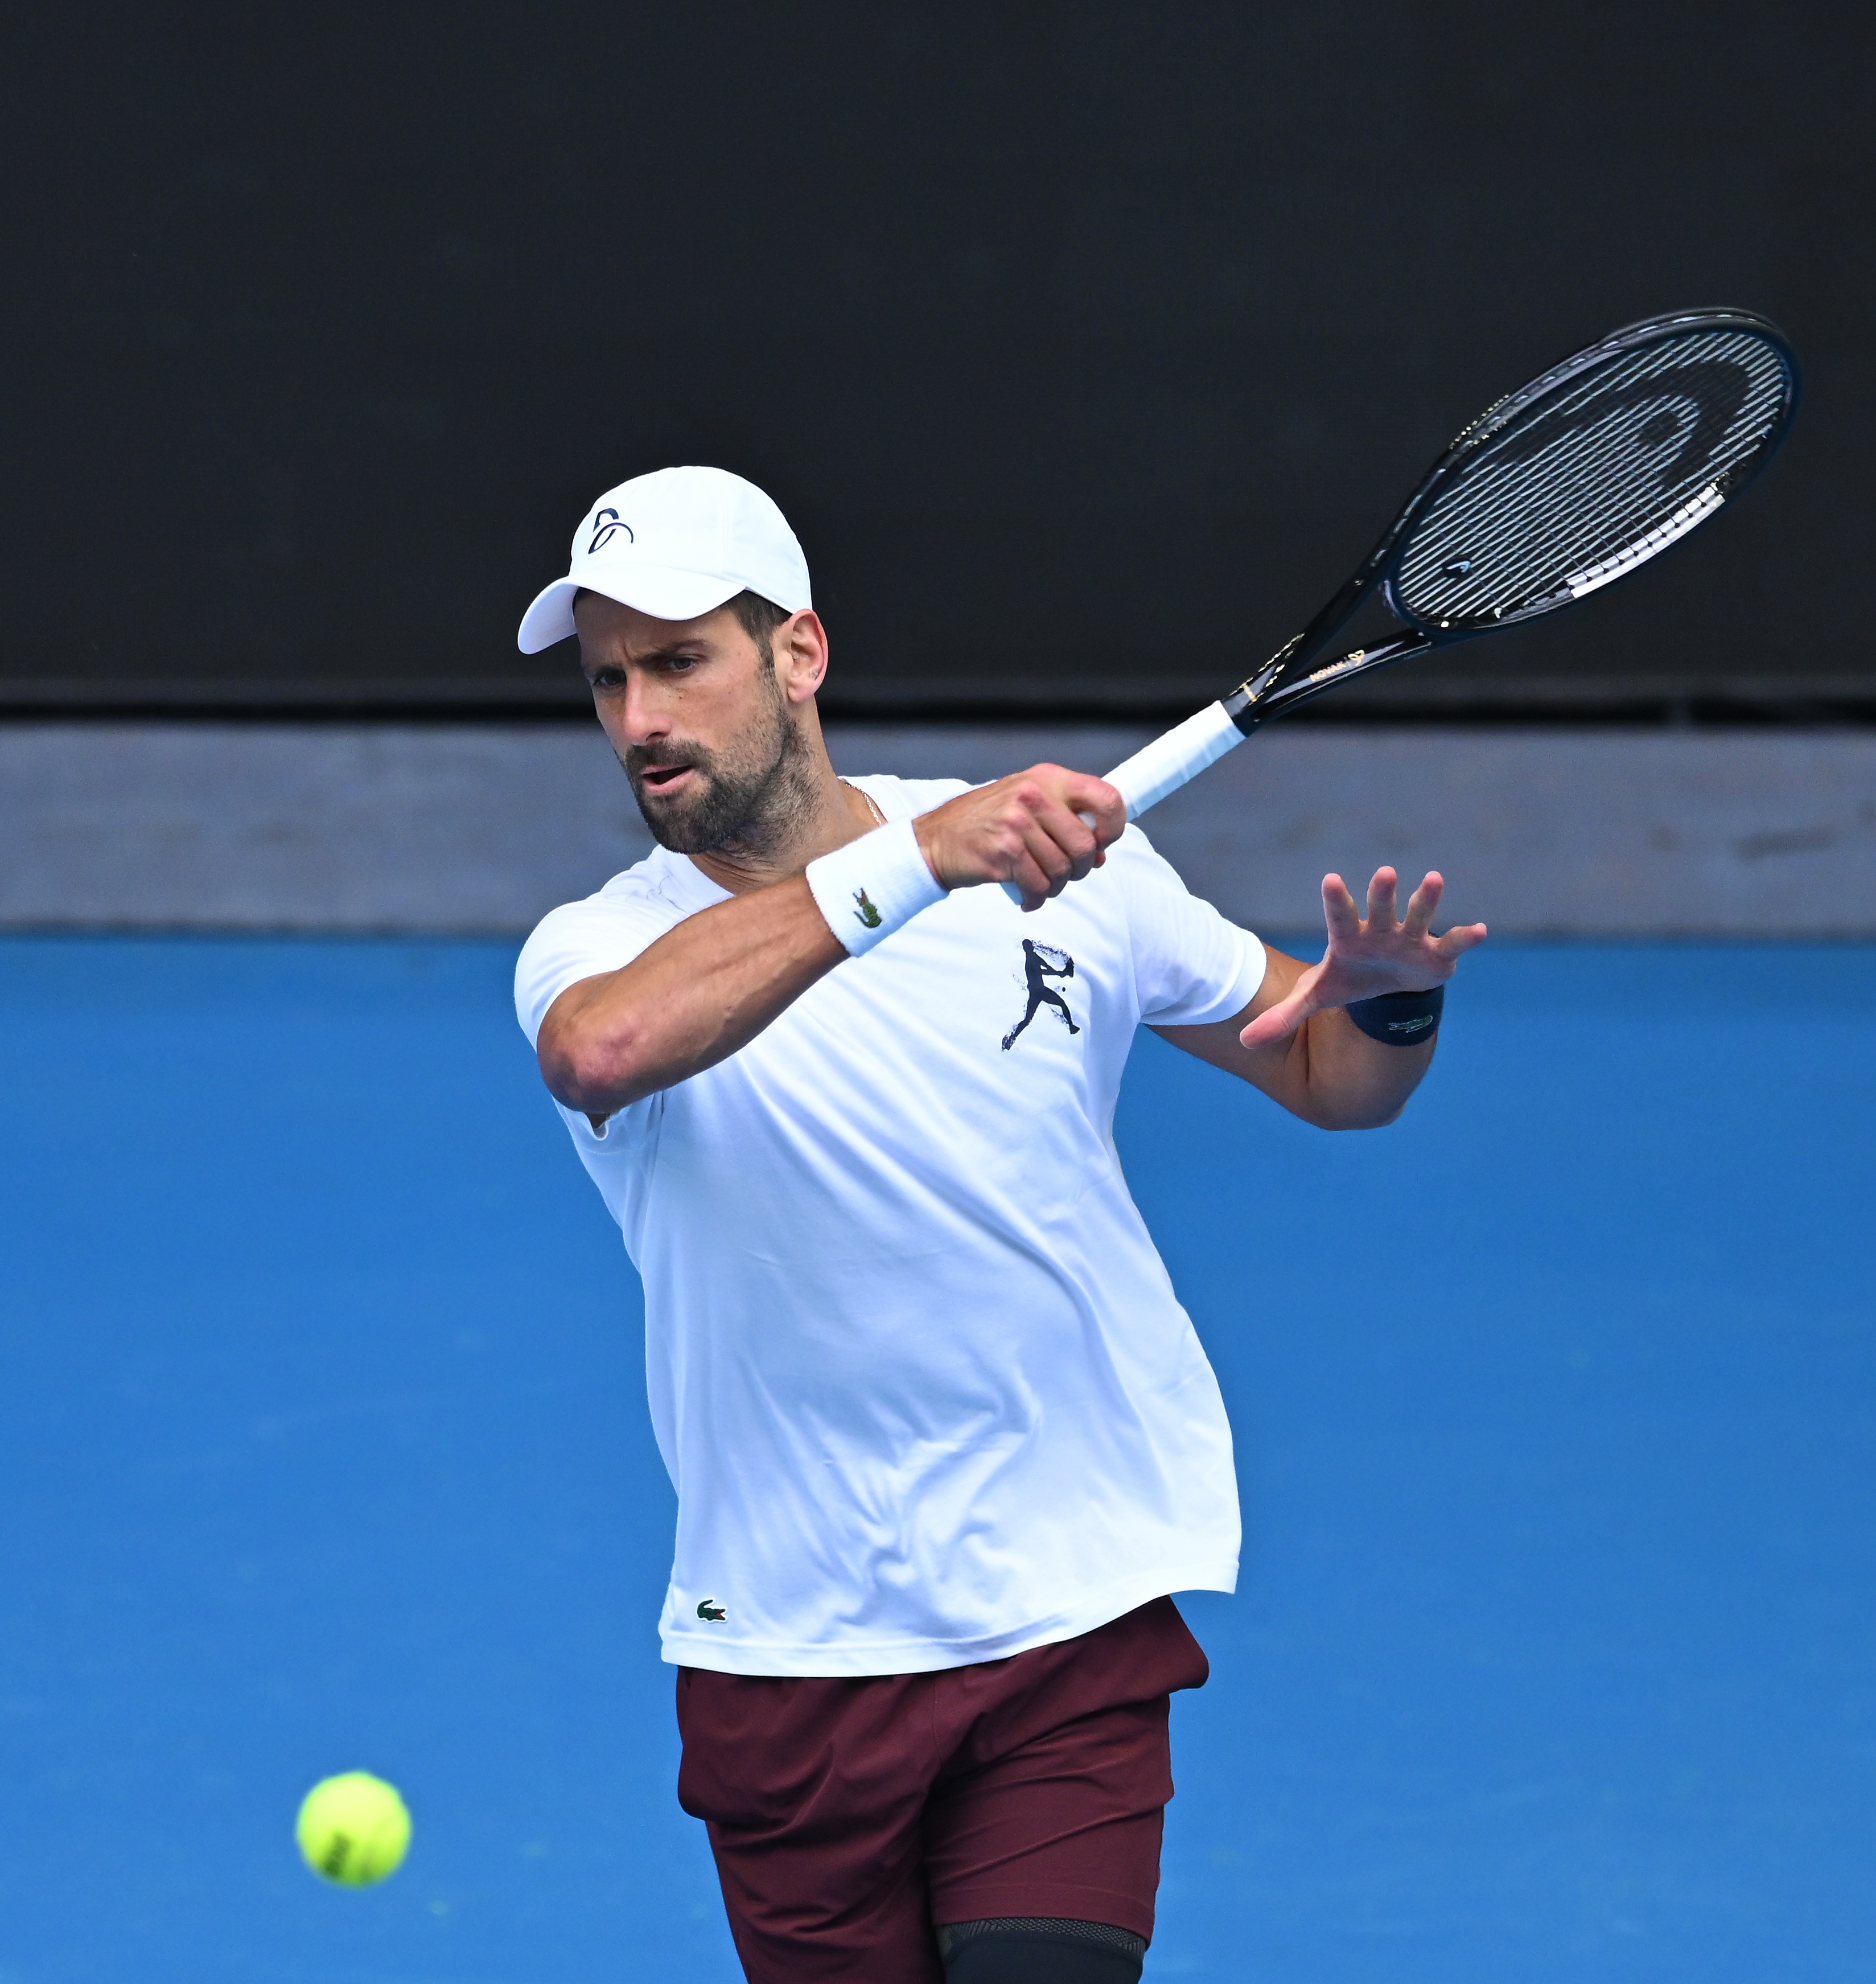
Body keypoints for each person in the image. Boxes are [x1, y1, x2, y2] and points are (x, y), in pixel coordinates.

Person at [511, 466, 1484, 1984]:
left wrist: (1386, 999)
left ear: (798, 655)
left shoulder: (1061, 873)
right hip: (793, 1653)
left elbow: (1325, 1074)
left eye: (679, 661)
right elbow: (604, 1052)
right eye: (609, 679)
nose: (639, 718)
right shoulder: (600, 944)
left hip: (1063, 1611)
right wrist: (915, 862)